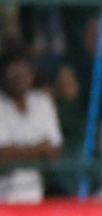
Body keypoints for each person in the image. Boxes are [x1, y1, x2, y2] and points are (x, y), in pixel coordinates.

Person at [0, 46, 62, 203]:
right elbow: (2, 156)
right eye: (14, 71)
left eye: (24, 70)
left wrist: (17, 152)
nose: (19, 76)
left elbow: (54, 151)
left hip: (37, 194)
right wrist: (37, 150)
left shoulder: (42, 101)